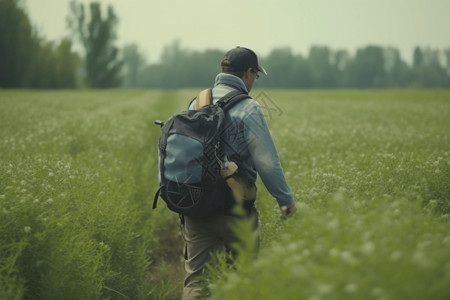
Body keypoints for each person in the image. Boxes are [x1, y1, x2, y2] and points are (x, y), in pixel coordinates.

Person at [182, 46, 296, 299]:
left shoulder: (197, 101)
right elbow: (266, 163)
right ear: (248, 73)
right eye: (256, 75)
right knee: (242, 281)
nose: (255, 80)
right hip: (236, 210)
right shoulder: (249, 108)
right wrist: (285, 201)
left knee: (197, 281)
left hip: (196, 207)